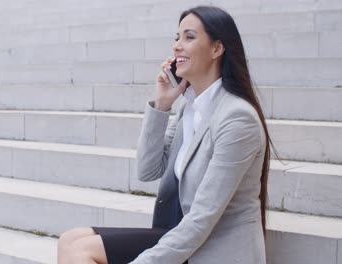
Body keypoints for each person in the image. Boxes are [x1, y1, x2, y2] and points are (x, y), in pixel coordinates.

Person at [58, 5, 277, 264]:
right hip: (181, 234)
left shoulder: (237, 118)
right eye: (177, 38)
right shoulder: (189, 107)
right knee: (70, 240)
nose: (177, 46)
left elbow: (202, 218)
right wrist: (162, 106)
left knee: (81, 251)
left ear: (217, 49)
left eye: (189, 37)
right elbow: (148, 170)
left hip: (214, 247)